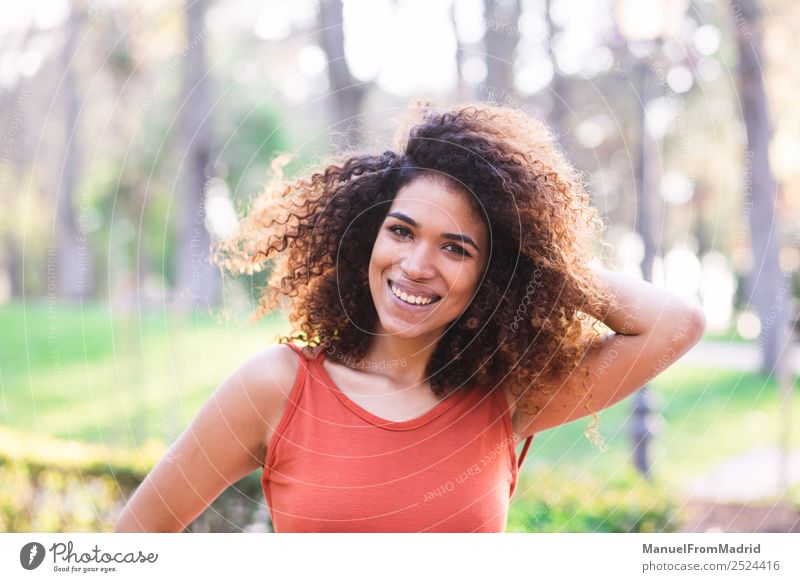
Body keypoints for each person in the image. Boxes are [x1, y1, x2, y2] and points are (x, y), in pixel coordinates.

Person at [114, 102, 705, 533]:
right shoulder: (278, 387)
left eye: (457, 248)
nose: (417, 265)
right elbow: (135, 542)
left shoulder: (502, 401)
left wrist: (536, 255)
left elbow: (675, 324)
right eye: (401, 231)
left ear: (489, 276)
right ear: (367, 238)